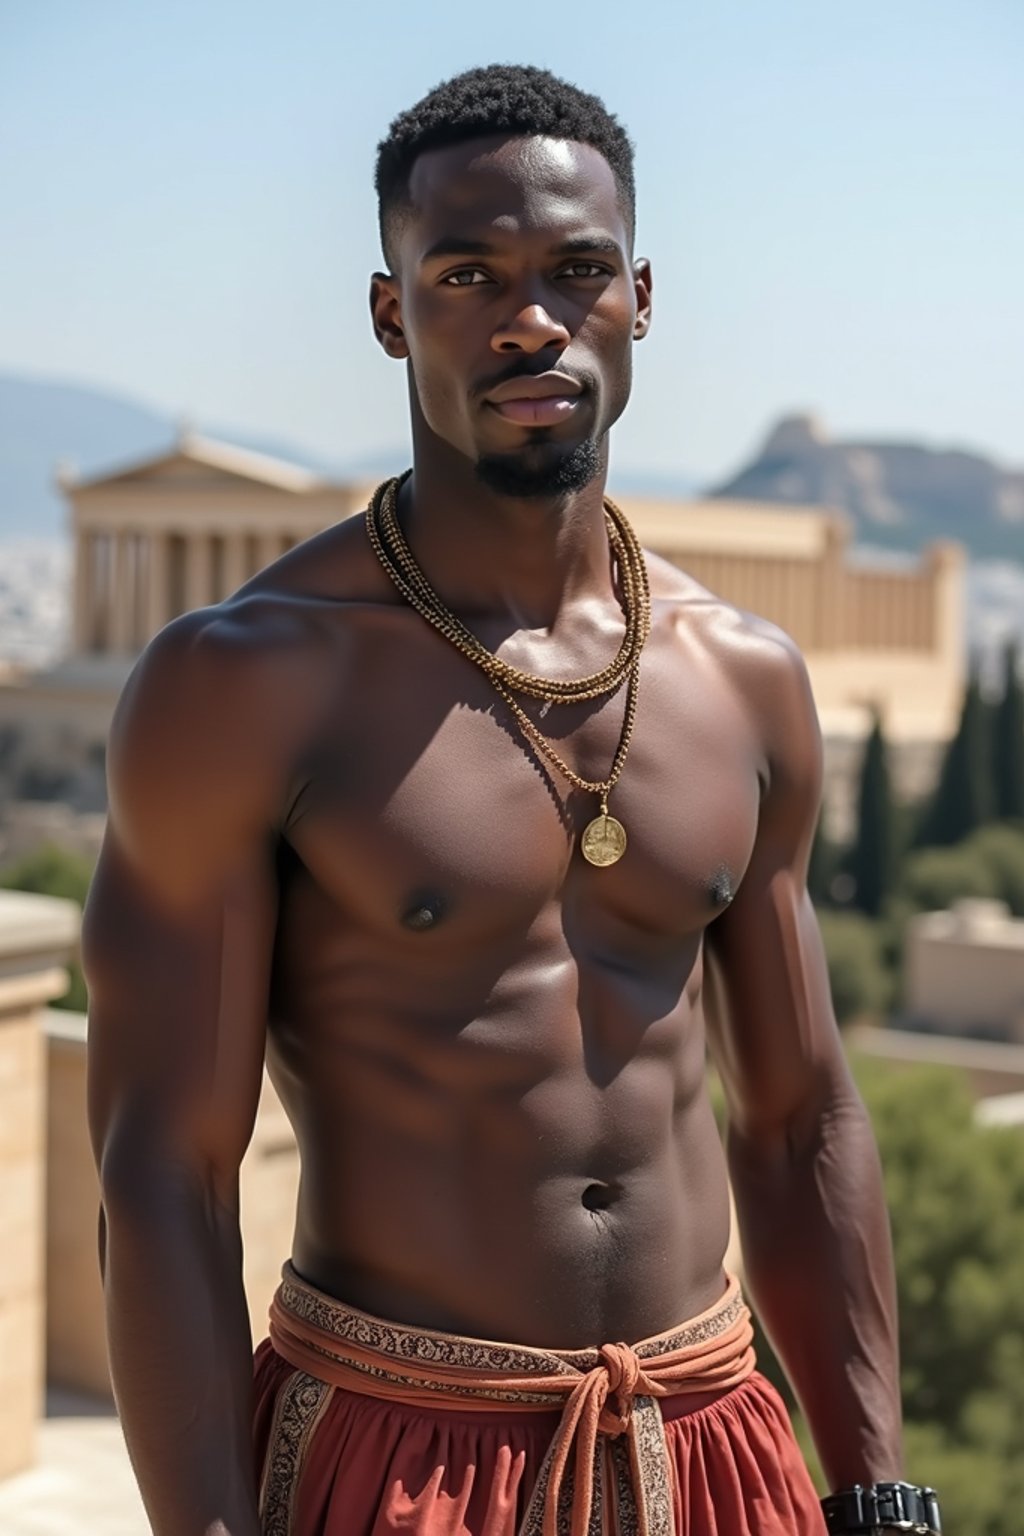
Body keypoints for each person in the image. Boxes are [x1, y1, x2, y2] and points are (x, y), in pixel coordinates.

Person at [85, 63, 939, 1536]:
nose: (530, 317)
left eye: (576, 271)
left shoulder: (743, 680)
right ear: (389, 310)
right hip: (399, 1450)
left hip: (712, 1438)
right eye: (468, 272)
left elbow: (797, 1117)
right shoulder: (246, 684)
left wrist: (875, 1489)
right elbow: (164, 1170)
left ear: (642, 297)